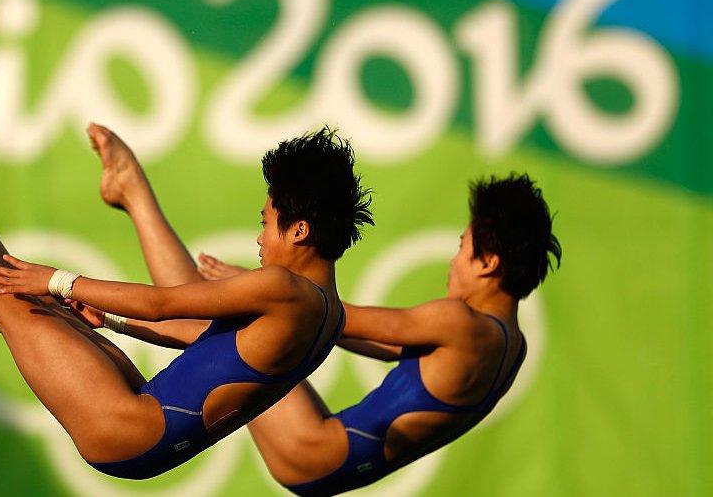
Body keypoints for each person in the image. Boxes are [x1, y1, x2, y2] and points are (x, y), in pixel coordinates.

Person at [0, 102, 371, 479]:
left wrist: (60, 279)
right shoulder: (331, 316)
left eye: (267, 223)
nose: (260, 239)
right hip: (141, 423)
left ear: (300, 231)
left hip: (129, 425)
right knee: (26, 297)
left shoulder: (284, 288)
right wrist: (106, 319)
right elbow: (196, 337)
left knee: (6, 300)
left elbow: (164, 301)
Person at [69, 127, 561, 495]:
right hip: (327, 466)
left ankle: (133, 191)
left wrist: (258, 288)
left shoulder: (459, 322)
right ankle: (127, 216)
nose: (453, 262)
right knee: (220, 328)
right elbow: (383, 344)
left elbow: (344, 318)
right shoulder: (510, 346)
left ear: (490, 262)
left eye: (462, 247)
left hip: (310, 447)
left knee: (205, 315)